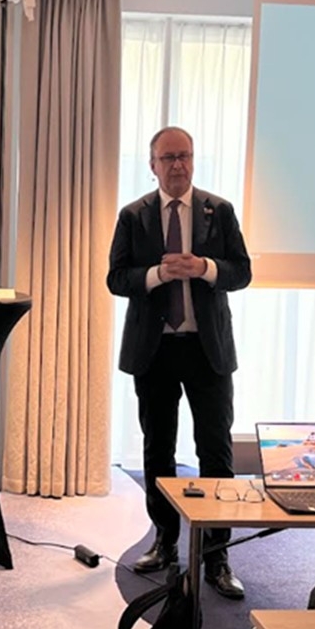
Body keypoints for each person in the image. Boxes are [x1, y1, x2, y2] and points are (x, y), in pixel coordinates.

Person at [106, 127, 252, 600]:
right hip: (155, 349)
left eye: (184, 156)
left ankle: (217, 554)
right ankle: (165, 540)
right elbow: (116, 278)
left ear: (193, 160)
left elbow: (242, 272)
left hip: (207, 350)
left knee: (216, 452)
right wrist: (157, 274)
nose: (177, 165)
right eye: (168, 157)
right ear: (152, 164)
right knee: (158, 449)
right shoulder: (134, 215)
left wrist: (205, 268)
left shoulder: (218, 210)